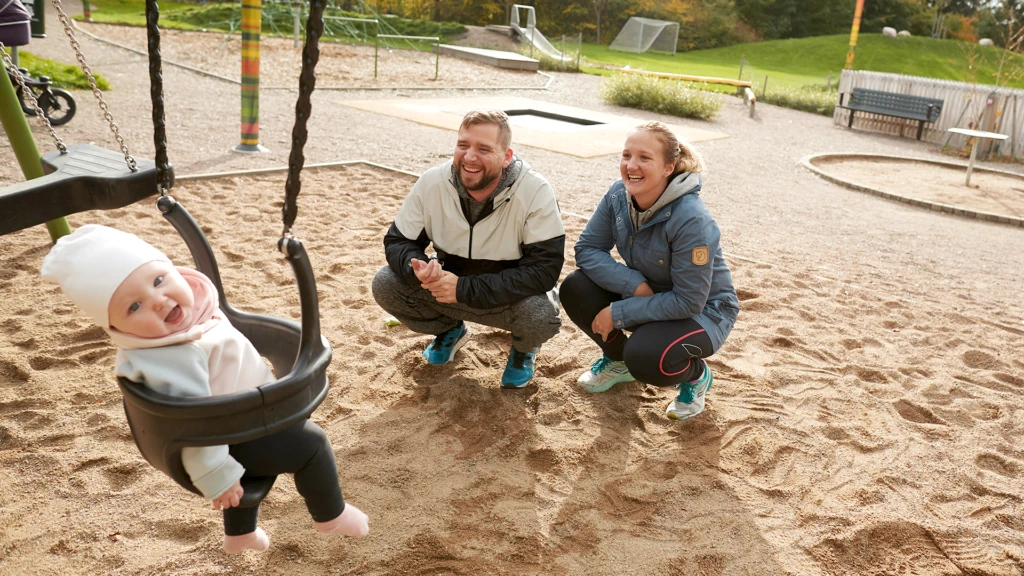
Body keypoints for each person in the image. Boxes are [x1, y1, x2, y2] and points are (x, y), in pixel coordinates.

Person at [40, 225, 369, 554]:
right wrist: (216, 476)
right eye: (134, 307)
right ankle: (331, 514)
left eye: (158, 280)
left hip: (239, 418)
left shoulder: (182, 323)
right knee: (312, 444)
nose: (157, 300)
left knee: (247, 477)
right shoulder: (174, 356)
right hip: (232, 438)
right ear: (115, 326)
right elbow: (192, 423)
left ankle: (240, 536)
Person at [372, 109, 565, 388]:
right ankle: (451, 331)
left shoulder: (535, 191)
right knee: (386, 283)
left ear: (507, 156)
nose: (470, 157)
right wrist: (418, 267)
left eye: (483, 149)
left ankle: (523, 351)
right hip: (447, 288)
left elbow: (543, 272)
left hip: (507, 296)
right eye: (463, 145)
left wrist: (464, 288)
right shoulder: (432, 183)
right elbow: (398, 240)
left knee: (541, 316)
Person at [560, 122, 739, 420]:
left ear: (669, 167)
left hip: (704, 311)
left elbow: (689, 301)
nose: (631, 165)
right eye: (626, 155)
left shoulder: (692, 219)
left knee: (645, 358)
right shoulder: (618, 196)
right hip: (653, 292)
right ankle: (617, 362)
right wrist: (634, 286)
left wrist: (618, 313)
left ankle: (696, 376)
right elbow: (587, 249)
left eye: (644, 158)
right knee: (575, 287)